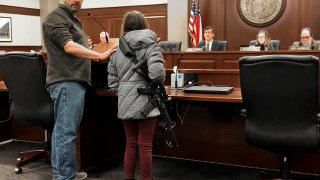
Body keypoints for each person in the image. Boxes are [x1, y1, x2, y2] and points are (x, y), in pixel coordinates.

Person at [42, 0, 117, 179]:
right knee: (66, 133)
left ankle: (62, 174)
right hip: (66, 81)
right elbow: (68, 46)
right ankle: (65, 177)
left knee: (63, 132)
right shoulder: (55, 17)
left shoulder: (71, 19)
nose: (77, 0)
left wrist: (87, 45)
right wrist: (99, 54)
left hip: (73, 81)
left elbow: (71, 45)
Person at [107, 11, 165, 180]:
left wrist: (124, 92)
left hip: (125, 102)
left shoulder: (117, 50)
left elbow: (112, 82)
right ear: (144, 25)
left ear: (125, 26)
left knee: (130, 143)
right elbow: (157, 75)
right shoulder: (152, 46)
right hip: (147, 100)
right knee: (145, 145)